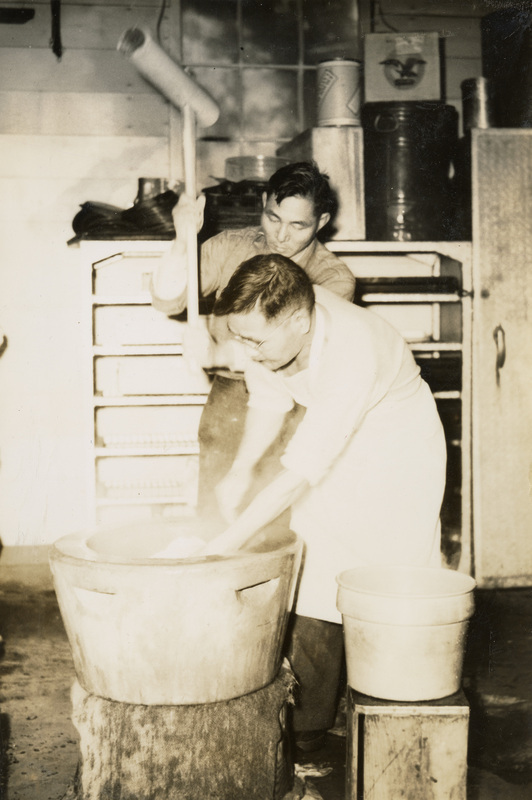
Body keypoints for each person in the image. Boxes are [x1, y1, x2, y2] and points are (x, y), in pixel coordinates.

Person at [203, 253, 447, 750]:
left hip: (397, 451)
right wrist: (240, 471)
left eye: (254, 340)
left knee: (391, 576)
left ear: (298, 320)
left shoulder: (352, 351)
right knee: (314, 571)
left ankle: (396, 717)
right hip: (334, 441)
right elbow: (271, 401)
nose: (245, 351)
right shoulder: (275, 336)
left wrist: (229, 540)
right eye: (240, 337)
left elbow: (302, 471)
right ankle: (309, 726)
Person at [151, 161, 356, 525]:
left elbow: (283, 358)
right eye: (273, 218)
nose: (281, 235)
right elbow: (169, 299)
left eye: (298, 226)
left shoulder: (333, 279)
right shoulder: (231, 245)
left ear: (321, 222)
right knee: (215, 515)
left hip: (296, 408)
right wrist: (183, 240)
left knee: (279, 522)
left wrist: (218, 352)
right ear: (264, 201)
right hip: (230, 399)